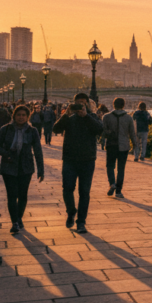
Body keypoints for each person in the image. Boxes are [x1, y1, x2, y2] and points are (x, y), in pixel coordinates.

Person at [53, 93, 104, 234]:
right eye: (78, 103)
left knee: (84, 192)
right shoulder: (69, 118)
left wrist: (85, 116)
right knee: (67, 188)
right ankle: (71, 211)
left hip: (87, 160)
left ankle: (81, 222)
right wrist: (65, 115)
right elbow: (55, 129)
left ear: (87, 104)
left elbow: (100, 130)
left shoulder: (92, 117)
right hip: (69, 159)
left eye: (83, 103)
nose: (81, 106)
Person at [0, 105, 45, 234]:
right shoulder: (5, 129)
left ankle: (19, 217)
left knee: (22, 195)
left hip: (26, 166)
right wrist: (6, 154)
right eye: (18, 115)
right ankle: (14, 222)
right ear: (14, 116)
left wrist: (41, 169)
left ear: (27, 117)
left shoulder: (32, 131)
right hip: (9, 165)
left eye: (23, 115)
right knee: (12, 195)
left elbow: (38, 150)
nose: (21, 117)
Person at [103, 97, 137, 199]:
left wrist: (104, 139)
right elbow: (132, 133)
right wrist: (135, 145)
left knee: (110, 166)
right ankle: (118, 191)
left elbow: (103, 131)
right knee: (121, 169)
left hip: (111, 145)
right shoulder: (128, 118)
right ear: (123, 105)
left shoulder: (106, 117)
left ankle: (112, 183)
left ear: (113, 105)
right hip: (124, 146)